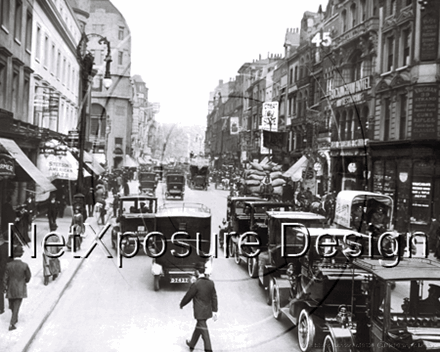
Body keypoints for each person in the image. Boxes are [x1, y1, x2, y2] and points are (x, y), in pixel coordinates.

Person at [180, 262, 218, 352]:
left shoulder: (196, 284)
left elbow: (188, 296)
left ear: (197, 272)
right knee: (199, 328)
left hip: (199, 312)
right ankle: (192, 344)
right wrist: (215, 310)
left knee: (205, 332)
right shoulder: (211, 283)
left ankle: (208, 350)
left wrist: (182, 304)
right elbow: (214, 297)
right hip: (207, 311)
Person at [3, 245, 31, 331]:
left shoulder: (8, 265)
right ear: (21, 254)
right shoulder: (24, 265)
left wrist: (5, 287)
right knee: (17, 306)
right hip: (20, 288)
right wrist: (24, 281)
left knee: (12, 305)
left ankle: (14, 318)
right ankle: (12, 323)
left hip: (10, 288)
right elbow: (28, 277)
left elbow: (5, 278)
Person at [0, 233, 13, 315]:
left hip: (2, 269)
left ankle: (1, 308)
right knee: (10, 285)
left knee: (1, 288)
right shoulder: (11, 248)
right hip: (10, 268)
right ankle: (11, 304)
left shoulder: (0, 248)